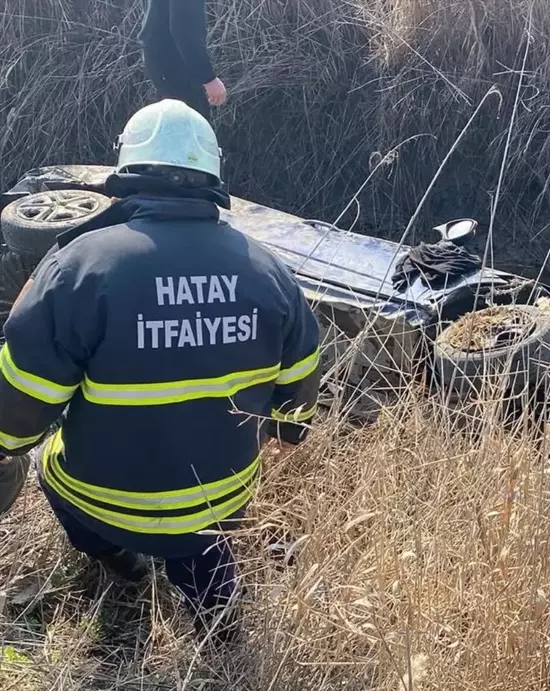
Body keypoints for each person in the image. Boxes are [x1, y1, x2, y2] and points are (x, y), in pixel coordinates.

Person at [0, 100, 320, 641]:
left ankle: (122, 566)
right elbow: (298, 404)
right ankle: (219, 630)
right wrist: (283, 425)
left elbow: (16, 416)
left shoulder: (78, 265)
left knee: (45, 468)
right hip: (221, 496)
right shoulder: (269, 271)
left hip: (105, 499)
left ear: (125, 173)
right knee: (202, 541)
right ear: (212, 178)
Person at [140, 0, 227, 119]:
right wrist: (209, 79)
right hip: (176, 62)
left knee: (171, 124)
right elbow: (184, 29)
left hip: (157, 58)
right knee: (190, 126)